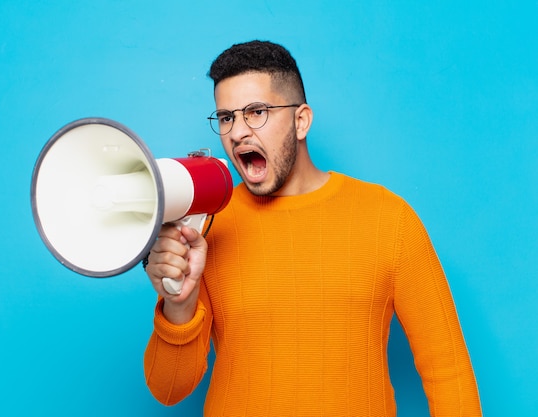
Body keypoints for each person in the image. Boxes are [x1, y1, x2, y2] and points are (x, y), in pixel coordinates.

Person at [143, 40, 482, 416]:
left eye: (256, 112)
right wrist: (180, 303)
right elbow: (169, 389)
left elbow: (448, 371)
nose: (237, 132)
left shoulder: (390, 218)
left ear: (300, 120)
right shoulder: (208, 225)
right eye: (226, 117)